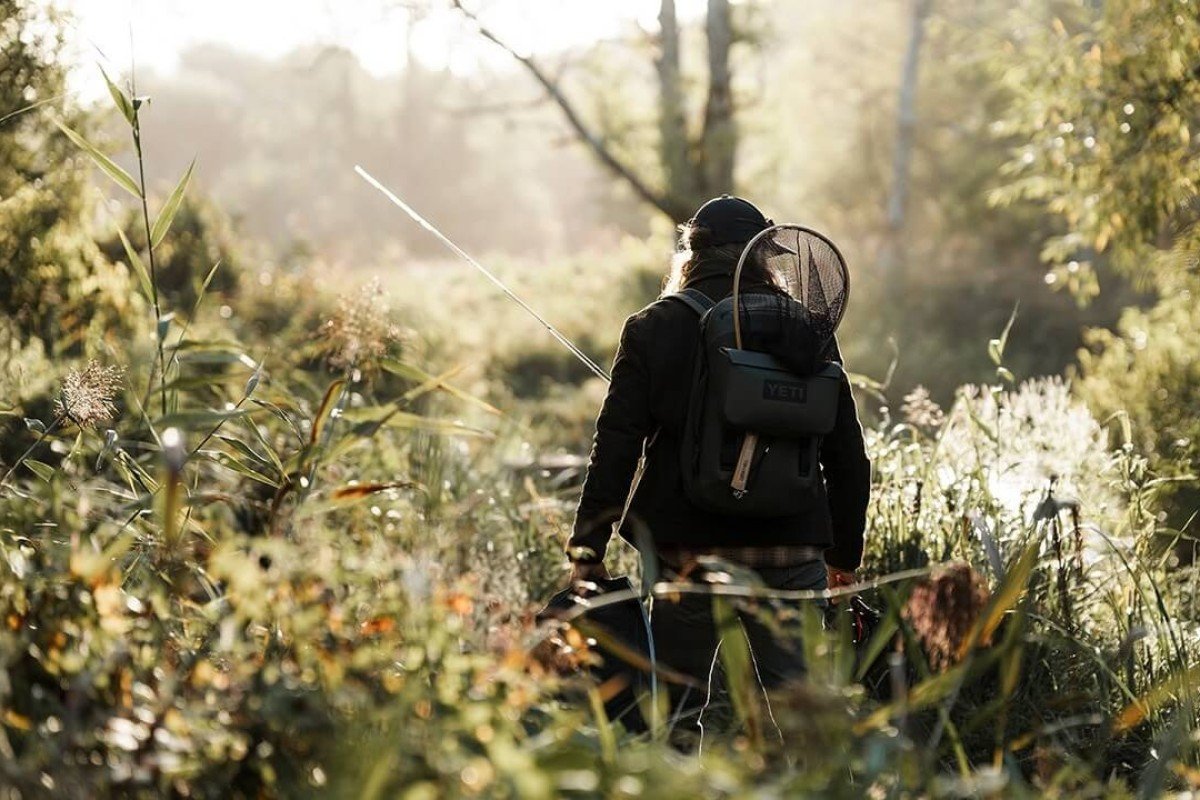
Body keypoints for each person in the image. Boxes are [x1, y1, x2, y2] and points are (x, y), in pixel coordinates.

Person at [565, 195, 871, 726]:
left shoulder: (652, 327)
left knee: (678, 713)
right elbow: (846, 452)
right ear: (760, 256)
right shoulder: (806, 329)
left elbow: (615, 446)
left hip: (687, 554)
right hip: (791, 551)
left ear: (691, 253)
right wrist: (844, 555)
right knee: (807, 721)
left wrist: (588, 548)